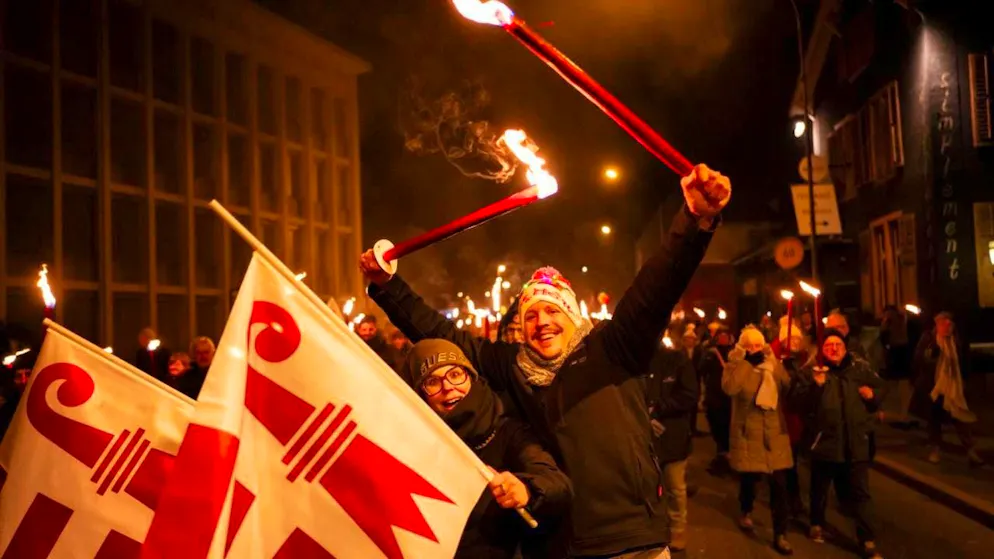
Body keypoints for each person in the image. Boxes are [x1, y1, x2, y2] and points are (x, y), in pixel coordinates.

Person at [362, 163, 729, 558]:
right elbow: (440, 333)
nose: (542, 323)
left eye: (553, 311)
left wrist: (694, 219)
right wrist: (387, 286)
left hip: (630, 541)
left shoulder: (614, 347)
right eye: (531, 315)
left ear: (572, 316)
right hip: (555, 544)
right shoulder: (511, 365)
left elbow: (656, 288)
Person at [405, 339, 572, 559]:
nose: (447, 387)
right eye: (433, 381)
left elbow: (557, 484)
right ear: (421, 393)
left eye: (456, 375)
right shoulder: (410, 439)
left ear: (471, 377)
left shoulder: (506, 431)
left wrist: (526, 490)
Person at [793, 330, 884, 559]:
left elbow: (881, 391)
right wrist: (817, 386)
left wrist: (872, 396)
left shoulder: (859, 370)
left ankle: (867, 539)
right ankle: (816, 522)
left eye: (838, 344)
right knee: (820, 489)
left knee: (860, 494)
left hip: (855, 444)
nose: (834, 349)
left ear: (845, 348)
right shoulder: (809, 372)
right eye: (828, 345)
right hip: (825, 443)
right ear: (821, 350)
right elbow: (798, 404)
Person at [722, 326, 794, 555]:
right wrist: (747, 363)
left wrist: (780, 365)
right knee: (750, 480)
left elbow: (786, 385)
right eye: (750, 346)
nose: (755, 349)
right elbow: (730, 388)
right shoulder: (736, 363)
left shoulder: (772, 364)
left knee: (780, 486)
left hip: (774, 433)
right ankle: (746, 508)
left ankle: (780, 533)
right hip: (749, 432)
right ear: (742, 347)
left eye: (758, 345)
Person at [644, 337, 699, 553]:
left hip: (673, 437)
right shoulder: (637, 360)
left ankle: (677, 531)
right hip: (646, 438)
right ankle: (654, 530)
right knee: (648, 488)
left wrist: (659, 407)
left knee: (675, 488)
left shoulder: (677, 360)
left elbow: (689, 395)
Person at [910, 313, 984, 466]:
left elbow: (964, 360)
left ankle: (970, 451)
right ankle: (936, 449)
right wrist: (931, 356)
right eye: (943, 324)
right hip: (935, 386)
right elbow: (919, 359)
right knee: (935, 419)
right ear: (937, 325)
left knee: (960, 418)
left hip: (953, 386)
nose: (947, 327)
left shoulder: (956, 340)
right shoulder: (929, 339)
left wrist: (965, 379)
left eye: (949, 324)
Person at [699, 327, 734, 473]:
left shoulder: (733, 353)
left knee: (725, 428)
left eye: (725, 336)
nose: (723, 339)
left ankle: (725, 458)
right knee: (716, 426)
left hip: (727, 398)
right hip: (714, 395)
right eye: (721, 336)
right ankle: (721, 456)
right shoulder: (710, 353)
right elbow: (701, 369)